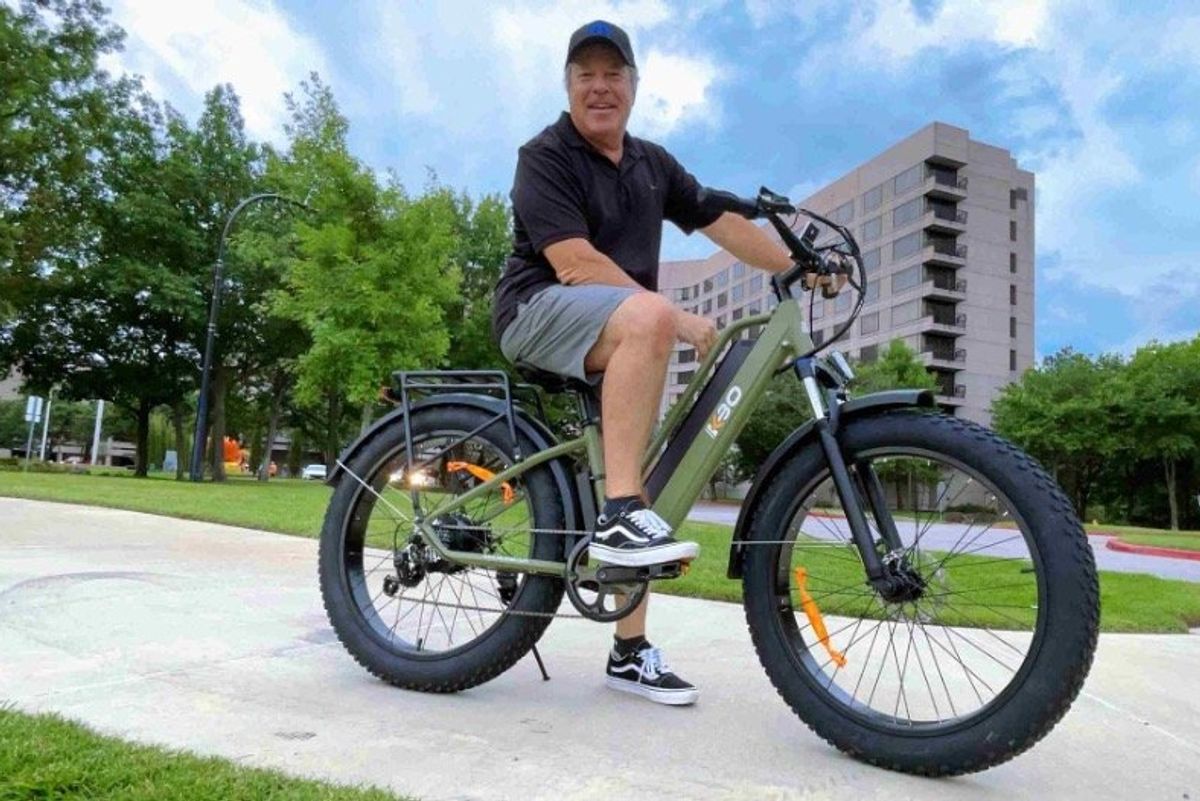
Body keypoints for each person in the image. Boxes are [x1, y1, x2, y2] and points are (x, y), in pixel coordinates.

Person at [491, 20, 796, 706]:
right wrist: (671, 315)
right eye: (585, 75)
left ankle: (629, 649)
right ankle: (618, 511)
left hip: (616, 327)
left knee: (643, 471)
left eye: (613, 74)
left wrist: (801, 262)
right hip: (536, 310)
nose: (599, 87)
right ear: (568, 86)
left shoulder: (652, 164)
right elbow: (573, 265)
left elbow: (718, 219)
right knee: (650, 323)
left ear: (633, 84)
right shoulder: (544, 155)